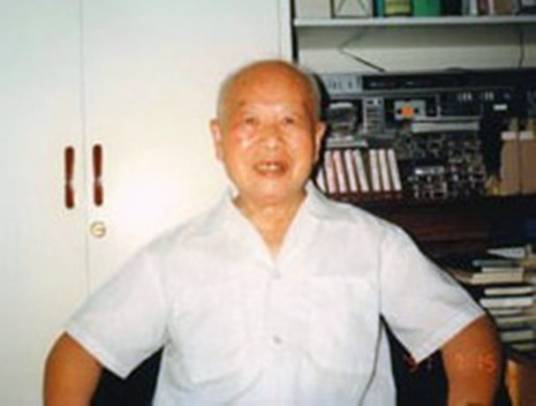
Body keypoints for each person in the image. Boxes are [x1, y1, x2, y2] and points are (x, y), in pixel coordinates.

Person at [44, 60, 502, 405]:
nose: (270, 139)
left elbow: (467, 334)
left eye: (289, 121)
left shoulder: (375, 244)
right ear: (218, 139)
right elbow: (75, 353)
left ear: (317, 139)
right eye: (249, 121)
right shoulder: (170, 259)